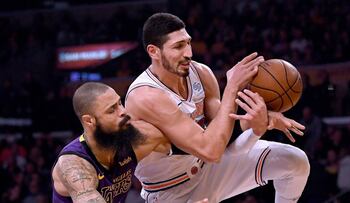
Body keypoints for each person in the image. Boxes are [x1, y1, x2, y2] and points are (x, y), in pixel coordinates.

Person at [125, 13, 310, 203]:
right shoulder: (146, 96)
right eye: (178, 46)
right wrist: (232, 87)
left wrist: (258, 123)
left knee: (295, 161)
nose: (188, 52)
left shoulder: (201, 73)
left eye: (188, 43)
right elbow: (210, 150)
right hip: (172, 191)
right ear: (154, 51)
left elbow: (223, 139)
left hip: (208, 167)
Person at [51, 82, 208, 203]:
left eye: (120, 103)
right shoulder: (73, 165)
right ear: (89, 121)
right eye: (112, 110)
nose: (123, 112)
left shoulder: (134, 139)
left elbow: (200, 144)